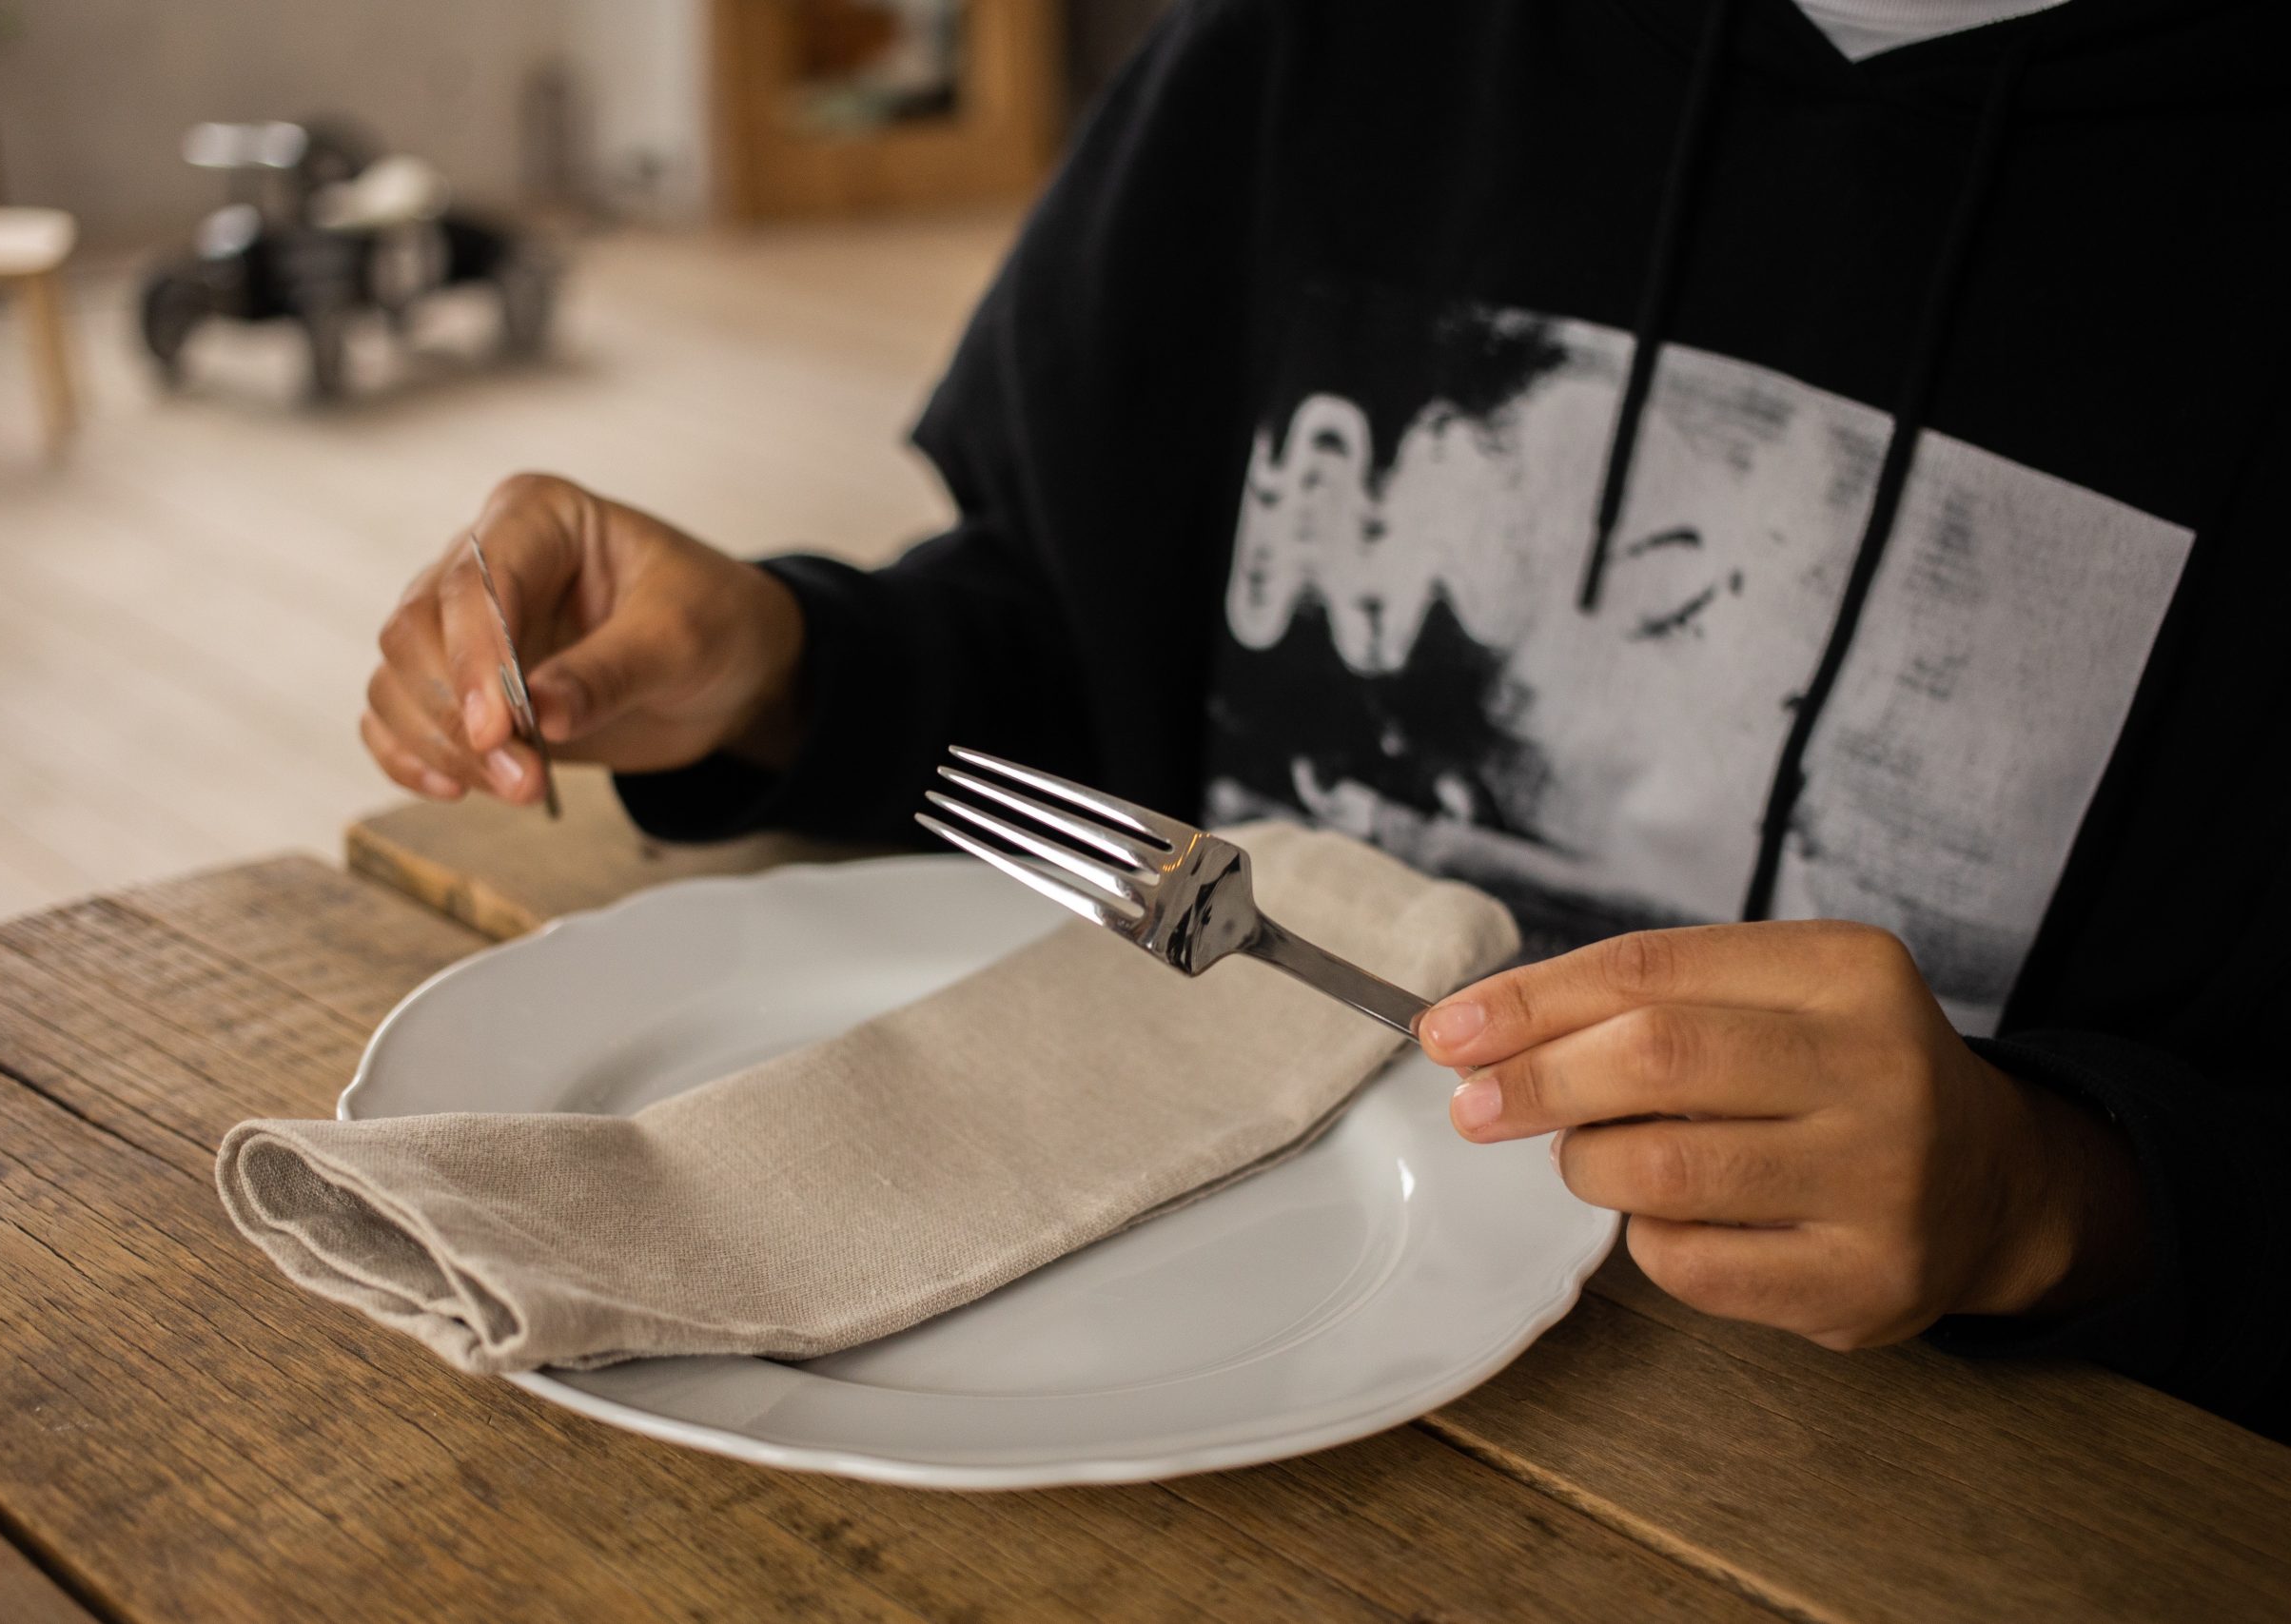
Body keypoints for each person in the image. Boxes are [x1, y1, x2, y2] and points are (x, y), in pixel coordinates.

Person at [362, 0, 2289, 1439]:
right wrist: (796, 669)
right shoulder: (1315, 40)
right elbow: (1085, 634)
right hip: (1160, 1348)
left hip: (1914, 1483)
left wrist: (2060, 1197)